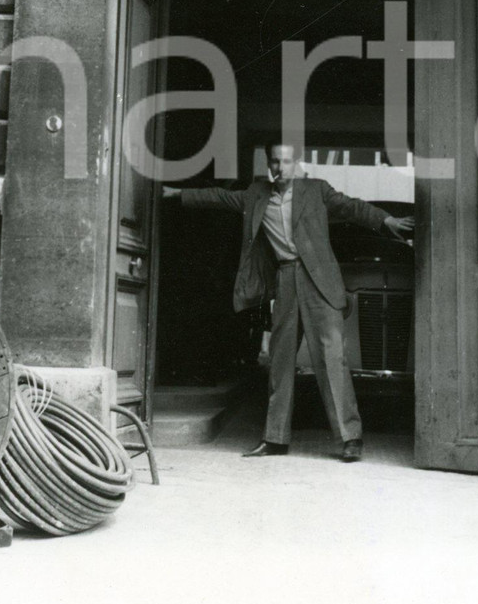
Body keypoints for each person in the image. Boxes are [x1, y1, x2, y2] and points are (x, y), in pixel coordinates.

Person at [164, 143, 413, 461]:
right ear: (269, 164)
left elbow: (353, 207)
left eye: (285, 162)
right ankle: (275, 439)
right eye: (274, 162)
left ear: (296, 163)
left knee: (332, 358)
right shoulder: (256, 194)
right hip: (285, 278)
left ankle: (350, 438)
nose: (280, 168)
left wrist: (386, 221)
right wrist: (176, 193)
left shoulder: (317, 190)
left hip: (320, 280)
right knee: (280, 360)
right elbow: (219, 197)